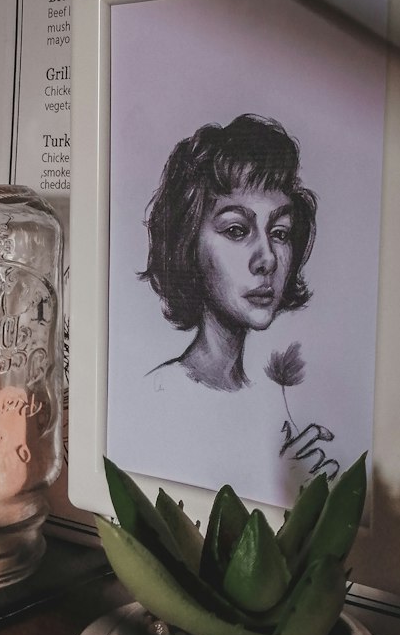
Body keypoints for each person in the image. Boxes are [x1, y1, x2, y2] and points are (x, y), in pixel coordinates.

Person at [138, 112, 336, 482]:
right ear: (188, 244)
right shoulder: (158, 395)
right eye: (236, 229)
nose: (267, 259)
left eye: (279, 232)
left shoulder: (273, 402)